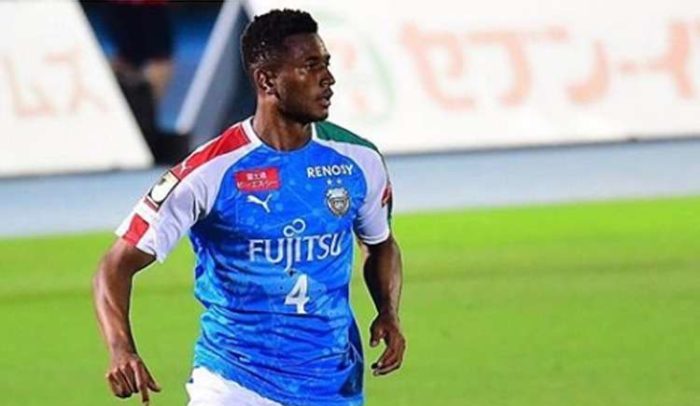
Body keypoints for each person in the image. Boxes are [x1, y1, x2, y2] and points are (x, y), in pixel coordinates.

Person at [93, 9, 405, 406]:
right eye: (310, 66)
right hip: (235, 381)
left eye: (326, 64)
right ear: (266, 80)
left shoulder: (358, 160)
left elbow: (380, 244)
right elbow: (115, 265)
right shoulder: (209, 171)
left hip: (332, 383)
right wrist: (121, 348)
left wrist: (388, 312)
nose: (328, 78)